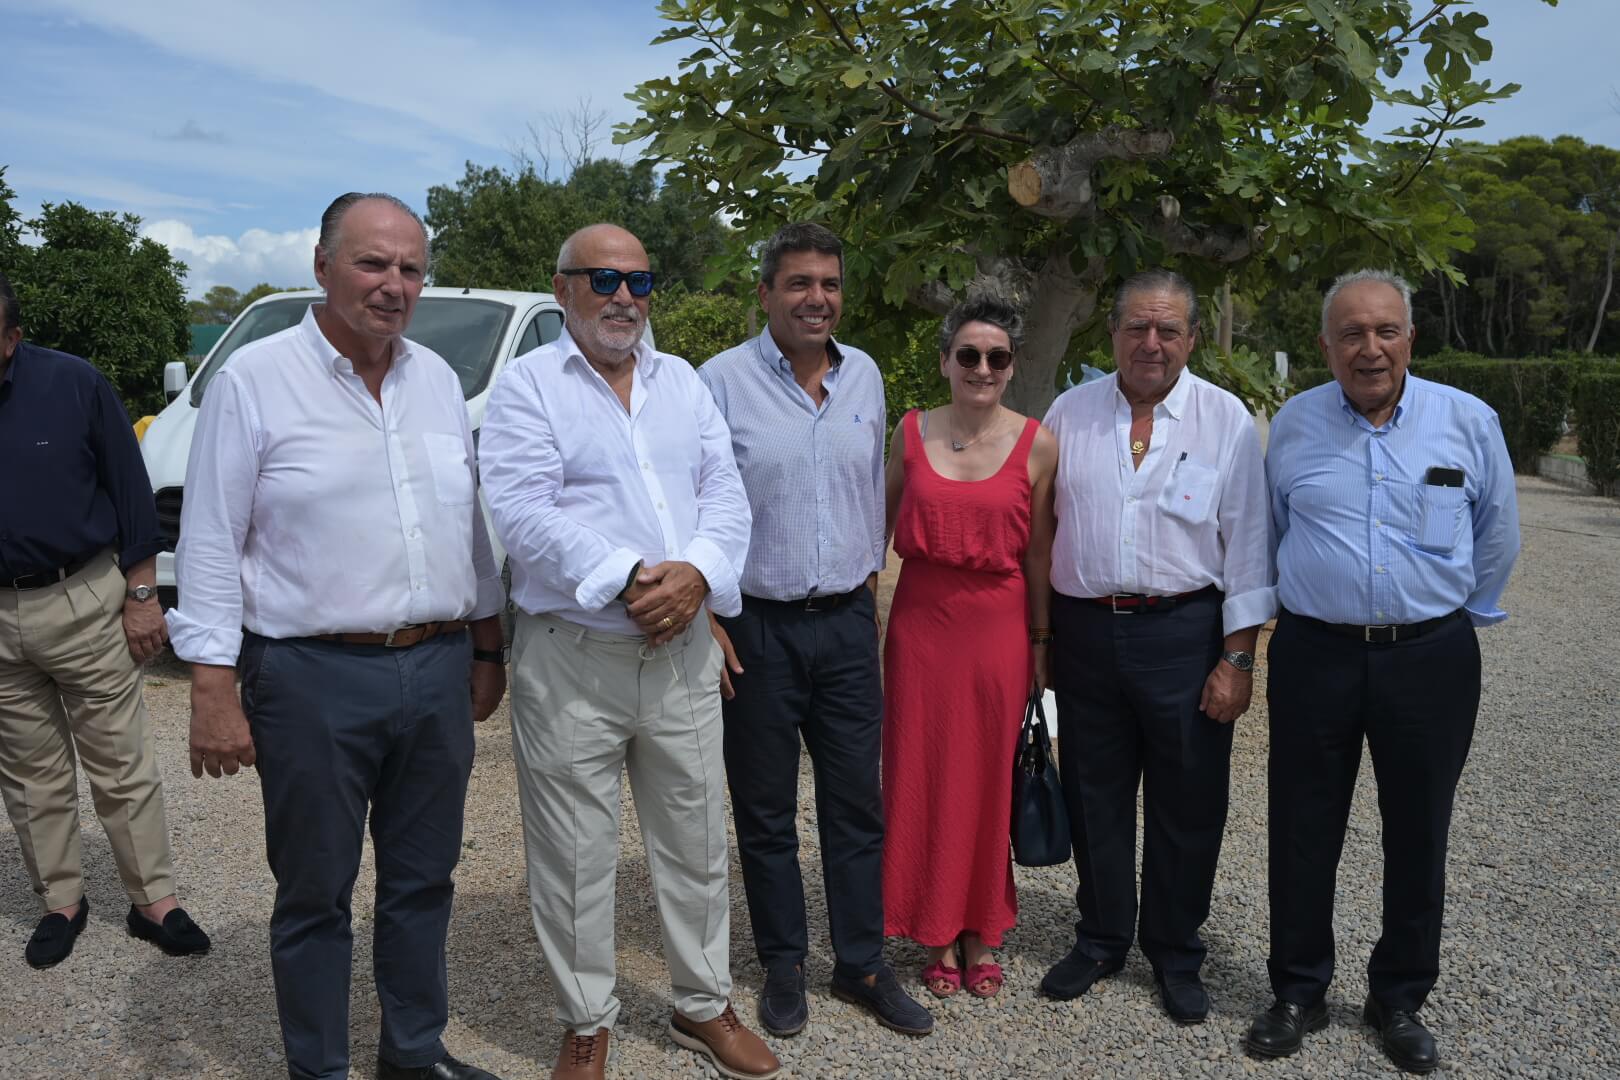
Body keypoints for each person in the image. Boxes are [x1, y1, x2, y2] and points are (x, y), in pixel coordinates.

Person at [169, 193, 507, 1080]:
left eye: (411, 268)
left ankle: (413, 1053)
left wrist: (486, 644)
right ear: (322, 266)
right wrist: (211, 685)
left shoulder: (437, 380)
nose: (394, 284)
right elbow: (210, 540)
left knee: (424, 879)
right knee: (316, 891)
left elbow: (464, 524)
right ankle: (317, 1067)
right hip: (312, 675)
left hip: (436, 665)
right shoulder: (254, 380)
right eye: (372, 263)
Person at [479, 224, 779, 1080]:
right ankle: (586, 1021)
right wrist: (635, 579)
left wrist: (700, 574)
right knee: (574, 852)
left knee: (697, 837)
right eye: (604, 278)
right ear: (562, 286)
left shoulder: (680, 381)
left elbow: (725, 493)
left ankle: (702, 1005)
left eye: (639, 282)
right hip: (574, 656)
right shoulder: (528, 387)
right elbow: (522, 511)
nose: (623, 297)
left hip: (681, 653)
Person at [1245, 270, 1520, 1073]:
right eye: (1352, 334)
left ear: (1410, 339)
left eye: (1386, 331)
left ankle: (1398, 997)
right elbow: (1274, 531)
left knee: (1419, 830)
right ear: (1326, 345)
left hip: (1430, 659)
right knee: (1302, 828)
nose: (1371, 349)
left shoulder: (1467, 422)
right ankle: (1298, 990)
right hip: (1315, 654)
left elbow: (1496, 535)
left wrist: (1447, 618)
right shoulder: (1295, 424)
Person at [700, 223, 933, 1038]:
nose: (817, 299)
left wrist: (864, 586)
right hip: (755, 629)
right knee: (765, 809)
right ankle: (785, 963)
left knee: (855, 804)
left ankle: (862, 962)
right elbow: (695, 503)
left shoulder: (864, 373)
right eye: (799, 283)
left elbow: (869, 491)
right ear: (765, 292)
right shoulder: (719, 382)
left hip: (843, 626)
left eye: (829, 284)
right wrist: (708, 617)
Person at [1039, 268, 1273, 1024]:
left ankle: (1175, 952)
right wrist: (1042, 636)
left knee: (1189, 800)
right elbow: (1042, 527)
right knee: (1093, 794)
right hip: (1086, 630)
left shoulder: (1225, 419)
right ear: (1111, 333)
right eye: (1137, 327)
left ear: (1192, 339)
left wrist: (1238, 658)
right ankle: (1103, 937)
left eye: (1168, 329)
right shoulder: (1069, 413)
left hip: (1184, 632)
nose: (1151, 342)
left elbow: (1249, 547)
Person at [0, 270, 210, 969]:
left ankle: (153, 902)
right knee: (30, 775)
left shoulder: (74, 384)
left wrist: (142, 594)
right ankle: (61, 901)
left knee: (120, 763)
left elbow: (130, 490)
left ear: (12, 336)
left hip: (82, 598)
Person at [880, 295, 1058, 1001]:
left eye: (997, 357)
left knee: (987, 780)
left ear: (1011, 367)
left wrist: (1041, 641)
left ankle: (981, 926)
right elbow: (874, 529)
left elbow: (1039, 554)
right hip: (921, 629)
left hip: (997, 631)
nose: (983, 368)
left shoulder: (1037, 443)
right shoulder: (910, 431)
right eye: (969, 355)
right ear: (946, 361)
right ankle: (933, 927)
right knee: (921, 773)